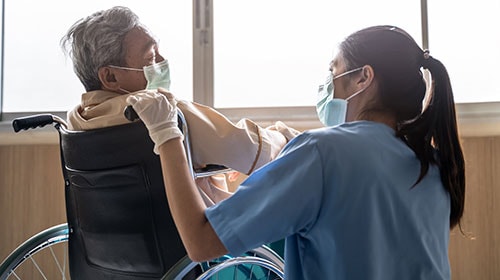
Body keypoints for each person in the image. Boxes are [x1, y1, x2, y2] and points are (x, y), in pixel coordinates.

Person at [127, 25, 466, 279]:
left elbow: (201, 243)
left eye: (333, 71)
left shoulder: (323, 151)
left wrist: (167, 134)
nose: (327, 83)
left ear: (364, 78)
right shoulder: (432, 162)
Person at [60, 6, 300, 203]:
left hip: (116, 252)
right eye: (151, 57)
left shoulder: (77, 122)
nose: (163, 62)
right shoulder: (166, 115)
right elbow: (254, 153)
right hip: (199, 248)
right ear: (111, 77)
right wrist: (281, 133)